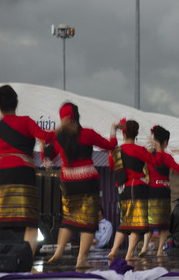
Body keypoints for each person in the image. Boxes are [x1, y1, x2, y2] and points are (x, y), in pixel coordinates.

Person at [0, 84, 56, 259]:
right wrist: (60, 130)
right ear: (16, 102)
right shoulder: (26, 121)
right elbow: (46, 137)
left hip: (2, 175)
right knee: (30, 223)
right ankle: (26, 265)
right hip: (24, 173)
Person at [44, 102, 118, 268]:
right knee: (88, 223)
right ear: (77, 117)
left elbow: (49, 156)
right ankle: (81, 260)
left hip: (68, 182)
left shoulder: (59, 137)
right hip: (87, 181)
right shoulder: (88, 134)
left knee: (68, 220)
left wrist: (44, 147)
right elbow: (111, 146)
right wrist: (113, 130)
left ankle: (58, 253)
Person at [108, 119, 164, 261]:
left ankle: (114, 250)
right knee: (137, 223)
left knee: (125, 221)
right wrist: (157, 146)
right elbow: (157, 162)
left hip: (122, 189)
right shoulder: (139, 150)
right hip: (138, 188)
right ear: (137, 133)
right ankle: (129, 254)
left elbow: (111, 166)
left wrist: (112, 132)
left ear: (123, 132)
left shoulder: (116, 151)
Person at [139, 125, 179, 257]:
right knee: (164, 224)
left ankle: (144, 248)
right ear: (165, 142)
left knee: (149, 222)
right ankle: (160, 251)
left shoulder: (147, 155)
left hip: (150, 191)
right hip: (163, 191)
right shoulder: (166, 157)